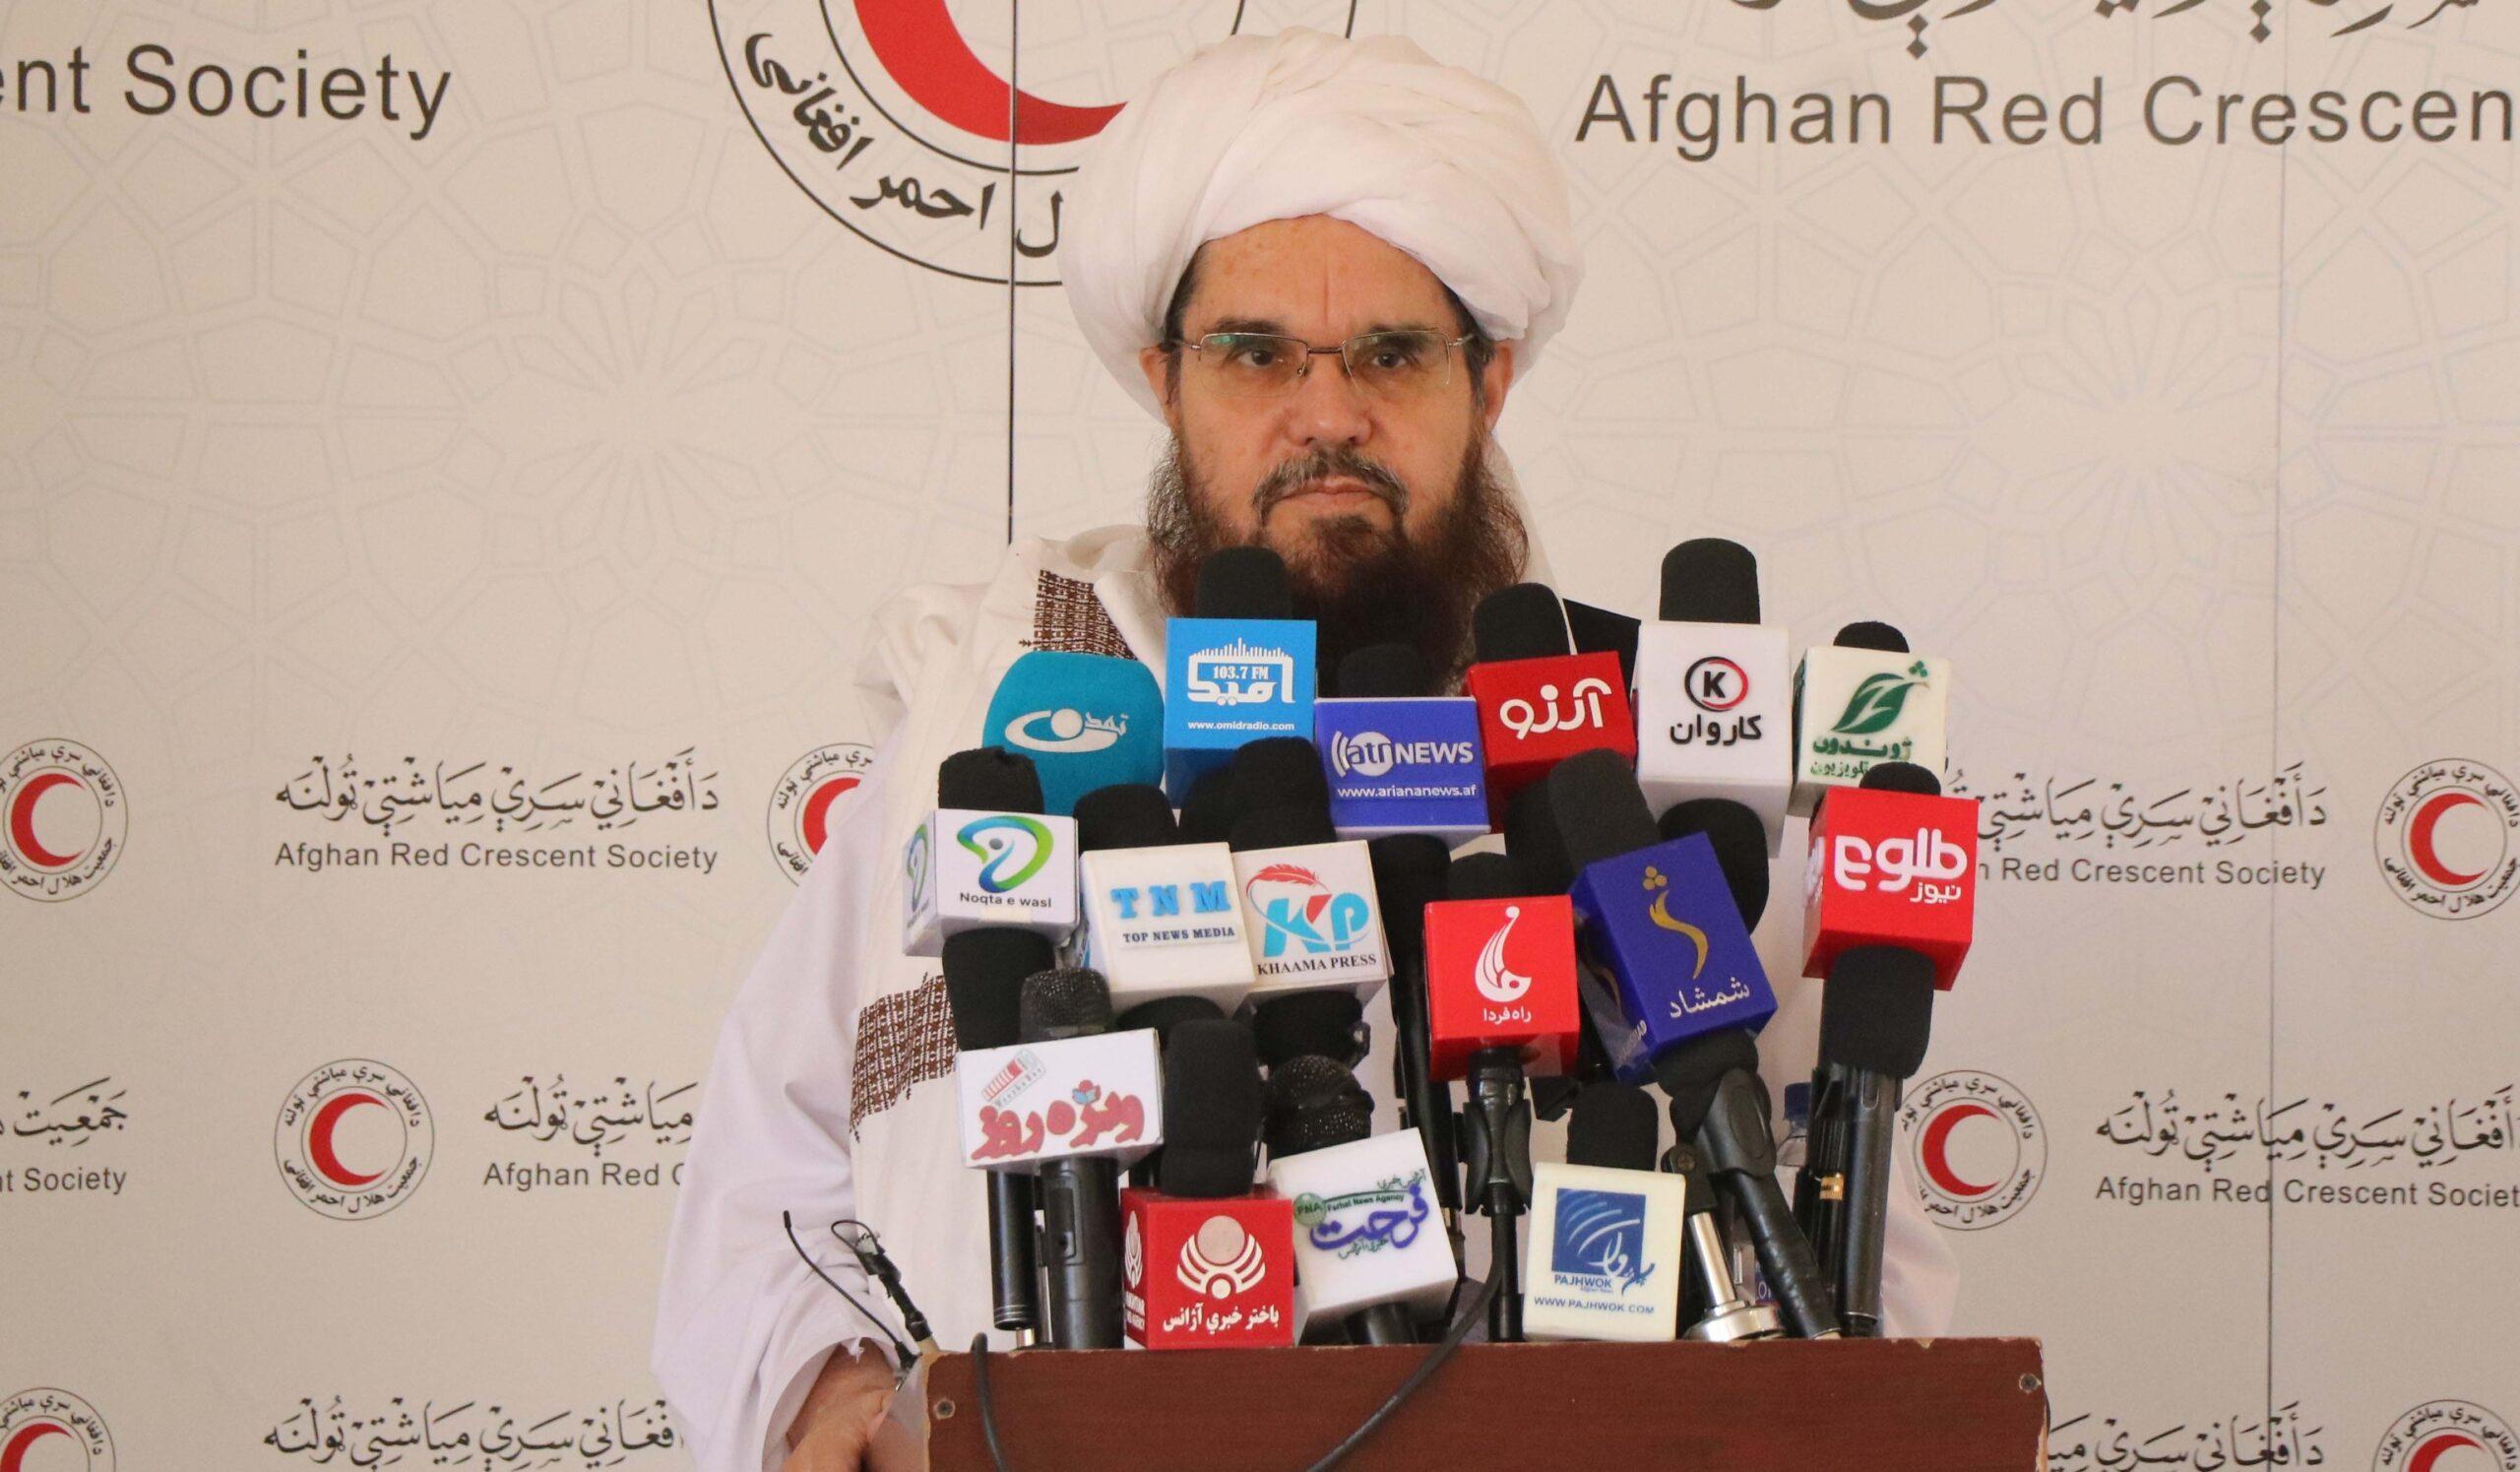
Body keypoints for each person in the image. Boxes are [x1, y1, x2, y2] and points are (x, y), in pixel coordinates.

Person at [653, 29, 1954, 1472]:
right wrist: (829, 1394)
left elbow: (1856, 1259)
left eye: (1393, 354)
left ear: (1488, 383)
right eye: (1256, 353)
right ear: (1166, 380)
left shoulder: (1637, 748)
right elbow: (768, 1172)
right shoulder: (1008, 714)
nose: (1329, 416)